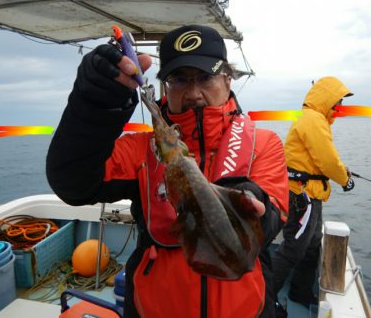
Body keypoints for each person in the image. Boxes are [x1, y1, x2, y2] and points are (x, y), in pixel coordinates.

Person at [46, 25, 289, 318]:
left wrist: (248, 197)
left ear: (227, 79)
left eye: (205, 77)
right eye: (179, 80)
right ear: (165, 87)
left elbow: (271, 216)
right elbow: (72, 182)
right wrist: (94, 106)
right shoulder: (140, 151)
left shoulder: (263, 144)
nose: (193, 92)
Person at [271, 76, 355, 309]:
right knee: (293, 249)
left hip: (310, 196)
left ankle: (299, 292)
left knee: (311, 246)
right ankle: (263, 299)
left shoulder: (315, 120)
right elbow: (327, 160)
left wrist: (342, 172)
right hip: (302, 196)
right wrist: (345, 179)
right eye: (336, 102)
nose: (338, 108)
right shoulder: (313, 120)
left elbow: (319, 159)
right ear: (325, 98)